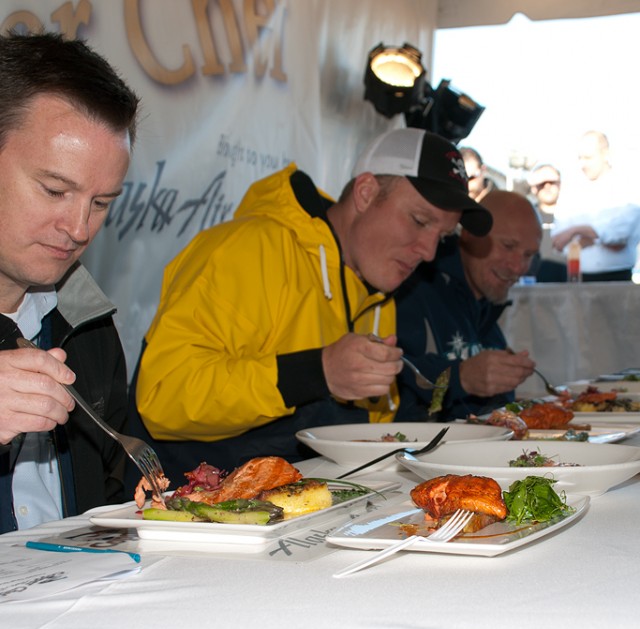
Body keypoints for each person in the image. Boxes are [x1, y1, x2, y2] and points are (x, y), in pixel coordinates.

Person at [127, 128, 492, 486]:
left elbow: (374, 437)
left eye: (441, 237)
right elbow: (162, 396)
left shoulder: (377, 293)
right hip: (194, 522)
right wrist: (317, 373)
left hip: (308, 514)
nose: (428, 252)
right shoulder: (246, 249)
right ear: (366, 193)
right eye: (419, 220)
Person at [0, 32, 140, 533]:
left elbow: (112, 492)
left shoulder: (87, 323)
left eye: (101, 203)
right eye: (55, 189)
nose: (79, 229)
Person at [395, 190, 540, 422]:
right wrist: (459, 377)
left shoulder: (486, 305)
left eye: (529, 254)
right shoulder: (413, 286)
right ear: (470, 234)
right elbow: (387, 385)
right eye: (508, 246)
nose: (517, 267)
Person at [551, 131, 639, 282]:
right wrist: (599, 237)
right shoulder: (571, 192)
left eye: (588, 158)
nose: (582, 164)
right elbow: (558, 240)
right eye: (580, 158)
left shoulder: (627, 188)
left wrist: (575, 231)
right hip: (578, 278)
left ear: (605, 154)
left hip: (617, 278)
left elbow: (618, 237)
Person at [526, 163, 567, 282]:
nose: (547, 187)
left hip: (568, 282)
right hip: (533, 283)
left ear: (560, 184)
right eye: (541, 184)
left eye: (552, 182)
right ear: (533, 188)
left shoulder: (574, 216)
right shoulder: (526, 217)